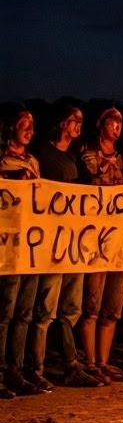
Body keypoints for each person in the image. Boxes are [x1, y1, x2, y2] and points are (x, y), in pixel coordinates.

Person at [30, 103, 102, 388]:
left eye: (81, 121)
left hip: (74, 244)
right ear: (61, 123)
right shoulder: (43, 153)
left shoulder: (75, 156)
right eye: (74, 120)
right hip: (50, 242)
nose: (78, 125)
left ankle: (71, 365)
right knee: (46, 308)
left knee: (71, 307)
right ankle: (35, 367)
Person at [77, 106, 123, 383]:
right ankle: (89, 361)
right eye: (112, 122)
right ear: (102, 126)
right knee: (92, 306)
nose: (116, 127)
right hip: (94, 240)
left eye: (120, 124)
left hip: (119, 242)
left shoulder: (122, 160)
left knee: (112, 308)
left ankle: (104, 361)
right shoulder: (87, 154)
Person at [1, 107, 44, 397]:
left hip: (32, 246)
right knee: (4, 310)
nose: (29, 130)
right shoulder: (3, 162)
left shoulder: (33, 162)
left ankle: (16, 370)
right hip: (8, 246)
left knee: (25, 312)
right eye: (23, 125)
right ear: (11, 129)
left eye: (32, 125)